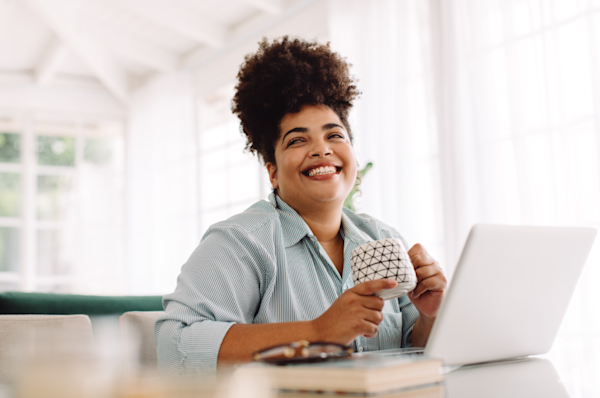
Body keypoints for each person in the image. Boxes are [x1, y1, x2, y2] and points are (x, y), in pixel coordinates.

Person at [155, 37, 447, 376]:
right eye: (297, 140)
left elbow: (416, 351)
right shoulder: (240, 242)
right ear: (273, 172)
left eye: (334, 135)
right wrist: (316, 333)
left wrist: (431, 315)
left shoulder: (383, 239)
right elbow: (174, 347)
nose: (321, 150)